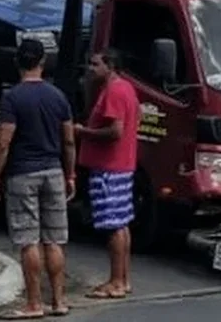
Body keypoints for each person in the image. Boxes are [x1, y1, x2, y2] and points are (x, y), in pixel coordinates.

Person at [0, 39, 76, 318]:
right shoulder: (58, 97)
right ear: (43, 62)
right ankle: (59, 301)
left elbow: (3, 142)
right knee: (54, 240)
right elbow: (69, 140)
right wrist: (70, 173)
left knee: (28, 240)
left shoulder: (13, 98)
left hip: (23, 173)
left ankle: (34, 303)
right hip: (53, 171)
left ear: (17, 63)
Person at [76, 49, 140, 300]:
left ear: (110, 65)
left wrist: (83, 132)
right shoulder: (127, 88)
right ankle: (123, 279)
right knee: (122, 225)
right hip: (122, 166)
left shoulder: (113, 91)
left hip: (109, 169)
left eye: (95, 64)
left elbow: (115, 131)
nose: (90, 69)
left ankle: (115, 281)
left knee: (113, 226)